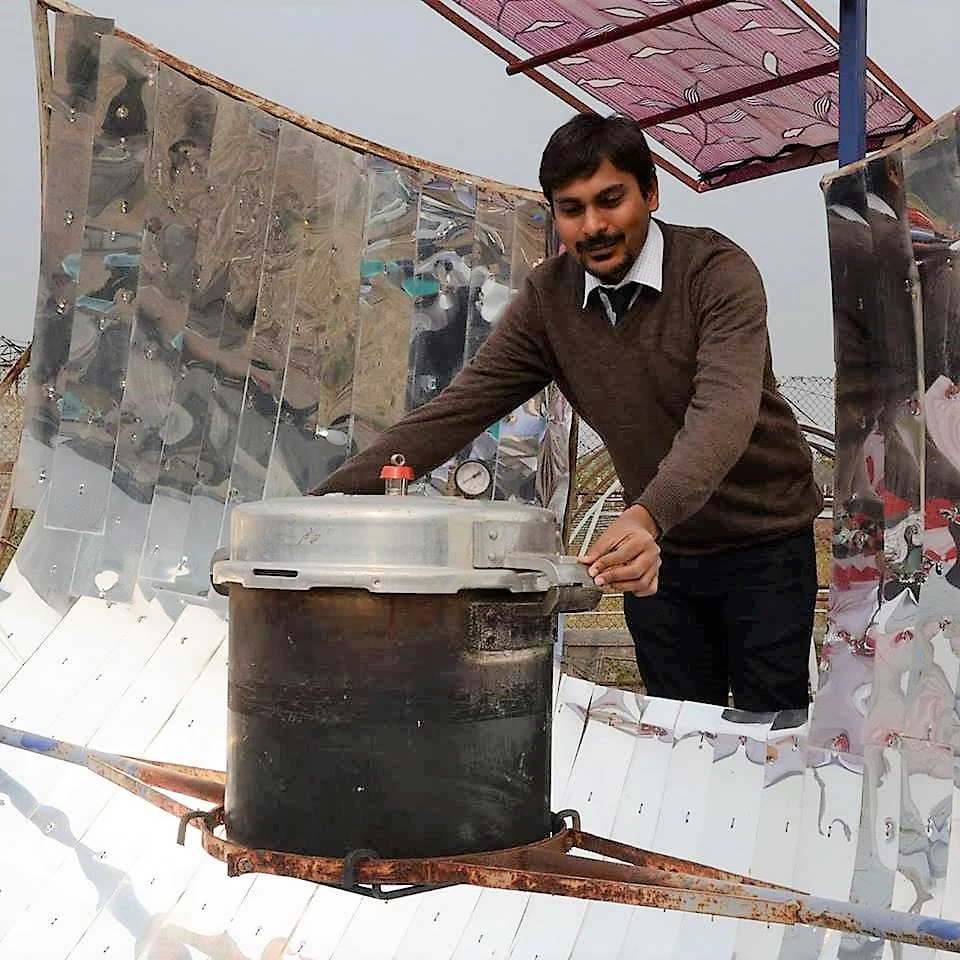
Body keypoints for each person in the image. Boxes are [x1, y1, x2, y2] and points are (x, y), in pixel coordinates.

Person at [313, 114, 822, 713]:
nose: (594, 226)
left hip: (762, 540)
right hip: (655, 556)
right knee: (676, 725)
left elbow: (723, 411)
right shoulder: (549, 300)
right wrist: (318, 511)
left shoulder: (716, 272)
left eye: (611, 200)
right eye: (572, 209)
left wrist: (646, 516)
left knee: (771, 728)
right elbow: (454, 413)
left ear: (651, 193)